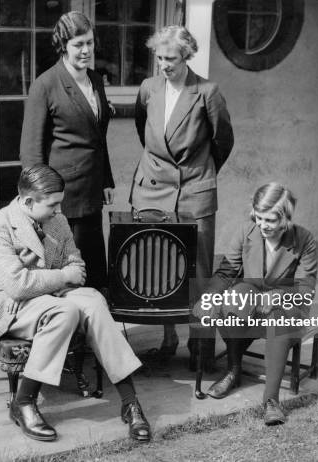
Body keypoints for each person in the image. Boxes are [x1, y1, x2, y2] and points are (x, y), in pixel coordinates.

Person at [0, 165, 151, 442]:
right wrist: (61, 278)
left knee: (93, 300)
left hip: (50, 297)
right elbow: (17, 285)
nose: (59, 210)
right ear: (27, 201)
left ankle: (130, 402)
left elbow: (77, 267)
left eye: (60, 203)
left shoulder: (57, 221)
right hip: (9, 307)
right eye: (53, 204)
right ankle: (23, 403)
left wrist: (55, 282)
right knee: (66, 310)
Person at [130, 25, 234, 365]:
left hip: (194, 193)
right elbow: (144, 132)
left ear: (186, 55)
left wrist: (199, 173)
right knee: (158, 268)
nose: (164, 65)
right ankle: (168, 337)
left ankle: (201, 347)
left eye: (171, 58)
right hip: (152, 191)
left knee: (198, 273)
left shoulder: (207, 91)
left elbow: (223, 142)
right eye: (159, 58)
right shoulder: (148, 89)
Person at [192, 183, 317, 425]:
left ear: (286, 217)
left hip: (287, 303)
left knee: (277, 320)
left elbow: (305, 290)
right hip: (253, 294)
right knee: (230, 302)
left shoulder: (304, 240)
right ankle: (233, 370)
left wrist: (279, 296)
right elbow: (226, 272)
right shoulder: (246, 231)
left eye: (270, 220)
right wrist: (209, 297)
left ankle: (271, 401)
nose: (263, 225)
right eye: (259, 218)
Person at [20, 11, 113, 290]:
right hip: (63, 200)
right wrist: (44, 201)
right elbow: (30, 153)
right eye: (78, 44)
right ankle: (72, 332)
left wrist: (107, 180)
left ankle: (94, 329)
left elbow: (98, 138)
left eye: (89, 42)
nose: (86, 50)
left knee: (94, 271)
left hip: (92, 192)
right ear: (63, 45)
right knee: (70, 272)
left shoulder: (96, 81)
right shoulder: (46, 85)